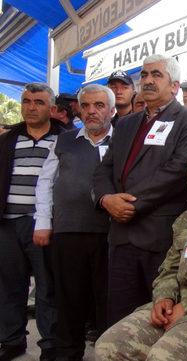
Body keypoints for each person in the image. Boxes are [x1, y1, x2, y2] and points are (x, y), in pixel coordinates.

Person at [92, 54, 187, 326]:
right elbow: (104, 169)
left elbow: (179, 170)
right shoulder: (125, 123)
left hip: (160, 238)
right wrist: (106, 199)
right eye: (144, 75)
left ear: (174, 86)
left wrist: (130, 204)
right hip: (120, 237)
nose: (147, 80)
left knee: (158, 323)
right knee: (119, 321)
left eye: (156, 75)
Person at [95, 143, 187, 361]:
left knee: (163, 357)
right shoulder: (185, 219)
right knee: (109, 346)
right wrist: (163, 299)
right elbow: (169, 268)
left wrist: (186, 306)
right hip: (174, 305)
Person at [33, 84, 115, 361]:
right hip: (68, 233)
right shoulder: (64, 141)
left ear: (112, 110)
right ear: (79, 109)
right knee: (69, 305)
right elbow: (45, 183)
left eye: (99, 105)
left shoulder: (123, 141)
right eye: (87, 106)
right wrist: (42, 222)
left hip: (110, 235)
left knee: (107, 304)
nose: (92, 111)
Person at [0, 83, 63, 361]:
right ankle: (12, 340)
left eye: (38, 102)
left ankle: (50, 343)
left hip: (44, 224)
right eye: (26, 101)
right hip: (8, 224)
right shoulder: (8, 139)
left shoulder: (66, 138)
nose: (31, 107)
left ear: (51, 108)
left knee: (48, 287)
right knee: (9, 285)